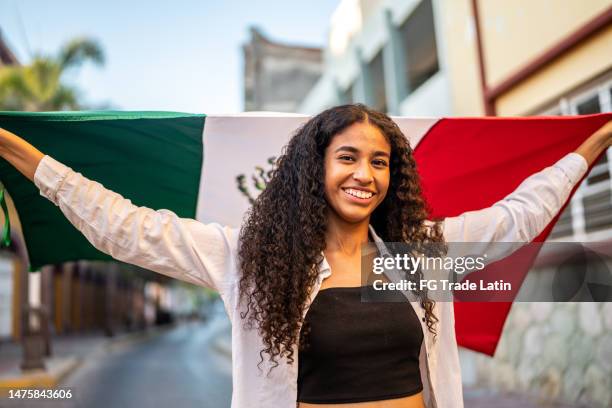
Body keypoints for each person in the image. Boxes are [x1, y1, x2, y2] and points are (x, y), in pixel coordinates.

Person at [0, 104, 610, 408]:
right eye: (347, 157)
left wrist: (597, 141)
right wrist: (23, 157)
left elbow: (520, 214)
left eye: (379, 162)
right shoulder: (251, 258)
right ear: (313, 168)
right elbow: (123, 228)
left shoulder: (416, 256)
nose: (364, 175)